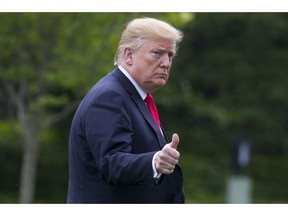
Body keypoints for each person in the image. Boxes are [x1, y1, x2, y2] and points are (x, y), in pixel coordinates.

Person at [67, 17, 184, 203]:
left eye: (169, 55)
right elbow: (111, 163)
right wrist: (154, 161)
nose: (166, 63)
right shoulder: (108, 97)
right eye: (157, 53)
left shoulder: (135, 97)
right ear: (129, 55)